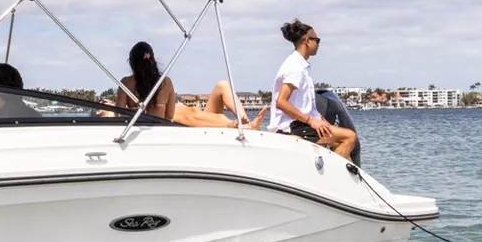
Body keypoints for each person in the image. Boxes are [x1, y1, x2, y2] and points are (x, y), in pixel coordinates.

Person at [267, 20, 357, 160]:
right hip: (292, 126)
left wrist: (320, 119)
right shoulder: (295, 67)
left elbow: (303, 104)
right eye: (317, 40)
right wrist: (311, 121)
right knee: (349, 137)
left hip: (300, 123)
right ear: (308, 41)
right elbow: (281, 102)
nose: (318, 44)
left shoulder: (301, 65)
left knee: (339, 143)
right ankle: (330, 178)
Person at [116, 41, 256, 128]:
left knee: (194, 113)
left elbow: (120, 117)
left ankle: (244, 124)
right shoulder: (166, 82)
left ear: (132, 62)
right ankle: (245, 121)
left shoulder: (126, 83)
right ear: (152, 60)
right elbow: (169, 115)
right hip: (198, 121)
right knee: (222, 85)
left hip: (182, 124)